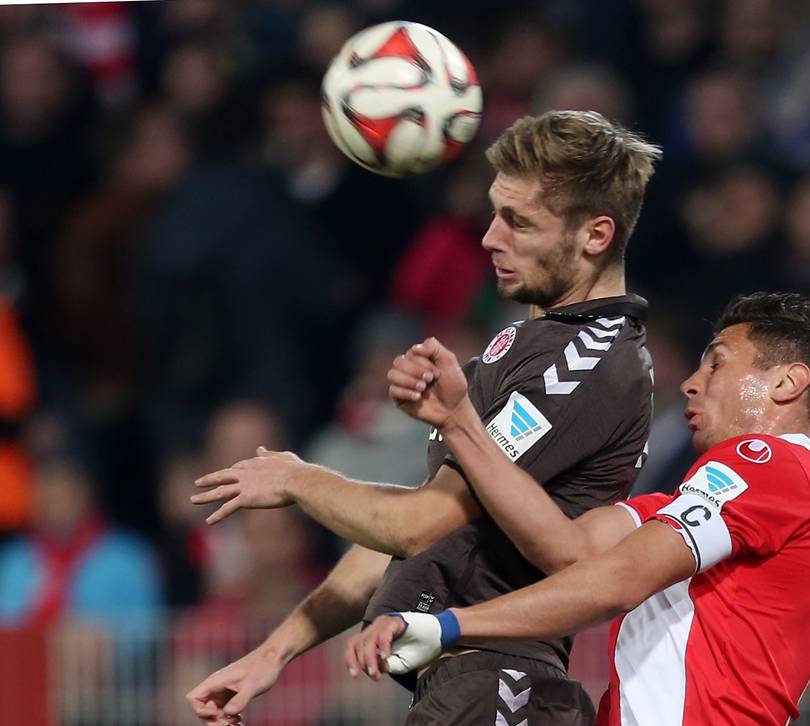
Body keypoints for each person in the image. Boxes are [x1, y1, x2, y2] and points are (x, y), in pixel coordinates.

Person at [186, 110, 660, 726]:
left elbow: (418, 524)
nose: (491, 237)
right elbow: (412, 530)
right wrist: (274, 654)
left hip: (500, 687)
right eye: (494, 212)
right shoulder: (534, 342)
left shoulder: (591, 359)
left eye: (518, 222)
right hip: (462, 686)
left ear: (596, 235)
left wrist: (299, 479)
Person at [350, 292, 810, 725]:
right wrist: (463, 424)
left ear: (787, 383)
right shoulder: (700, 504)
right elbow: (567, 549)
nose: (691, 383)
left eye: (717, 363)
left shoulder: (775, 464)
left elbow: (620, 579)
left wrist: (449, 625)